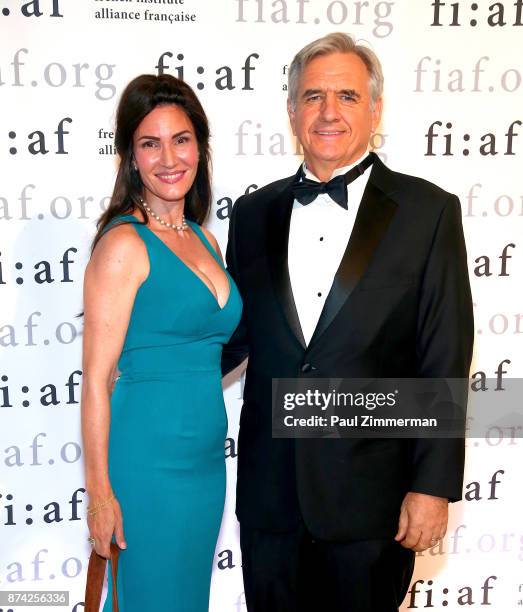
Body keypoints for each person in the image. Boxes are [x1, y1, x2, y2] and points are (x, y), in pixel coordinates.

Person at [222, 33, 473, 611]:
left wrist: (432, 485)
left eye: (347, 96)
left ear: (376, 108)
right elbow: (234, 338)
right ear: (291, 112)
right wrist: (146, 371)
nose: (328, 112)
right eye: (312, 97)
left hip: (373, 504)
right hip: (271, 502)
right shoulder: (253, 215)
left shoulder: (428, 212)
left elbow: (444, 354)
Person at [81, 74, 242, 612]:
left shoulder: (204, 238)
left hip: (203, 466)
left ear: (200, 147)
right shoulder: (125, 244)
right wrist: (101, 495)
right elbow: (99, 379)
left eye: (181, 139)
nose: (168, 157)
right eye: (150, 143)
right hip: (146, 463)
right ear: (130, 157)